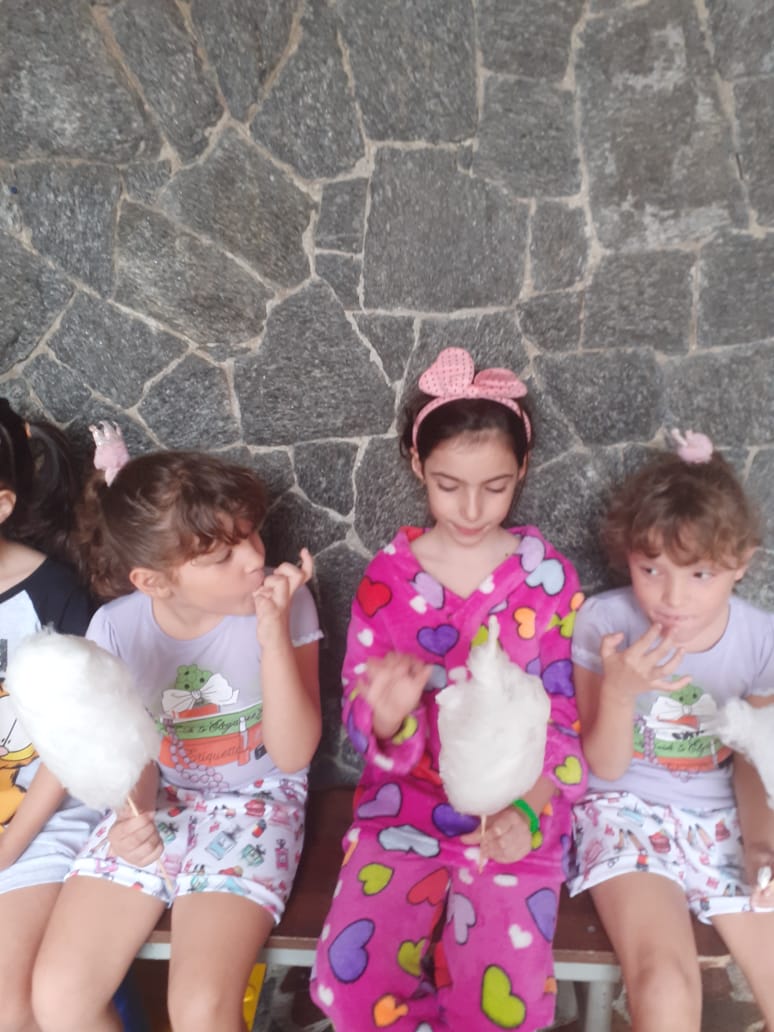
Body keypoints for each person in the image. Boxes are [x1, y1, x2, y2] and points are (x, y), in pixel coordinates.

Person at [311, 347, 587, 1031]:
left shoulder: (548, 578)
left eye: (495, 487)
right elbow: (362, 713)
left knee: (501, 1006)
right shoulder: (388, 579)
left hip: (516, 811)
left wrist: (528, 814)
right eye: (448, 484)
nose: (470, 508)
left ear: (523, 469)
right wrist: (386, 714)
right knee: (351, 987)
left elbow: (564, 718)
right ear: (416, 464)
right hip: (404, 808)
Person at [32, 430, 322, 1032]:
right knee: (59, 998)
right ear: (154, 581)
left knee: (199, 1011)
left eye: (251, 536)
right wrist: (131, 817)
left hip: (258, 801)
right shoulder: (115, 629)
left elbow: (294, 754)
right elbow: (129, 751)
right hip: (161, 798)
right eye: (222, 557)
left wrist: (272, 636)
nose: (255, 560)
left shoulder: (286, 602)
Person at [568, 430, 774, 1032]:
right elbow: (603, 767)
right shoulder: (605, 622)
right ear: (628, 556)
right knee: (664, 985)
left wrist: (761, 843)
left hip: (723, 818)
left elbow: (750, 757)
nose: (672, 597)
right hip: (622, 812)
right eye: (650, 568)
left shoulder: (761, 640)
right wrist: (620, 691)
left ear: (741, 563)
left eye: (700, 573)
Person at [0, 398, 97, 1032]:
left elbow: (77, 744)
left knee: (8, 1010)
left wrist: (8, 848)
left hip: (43, 820)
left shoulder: (53, 595)